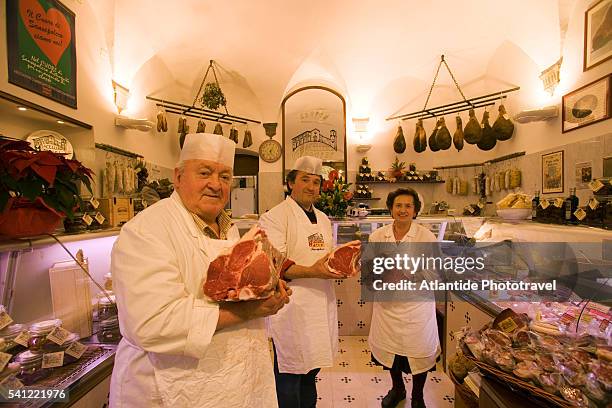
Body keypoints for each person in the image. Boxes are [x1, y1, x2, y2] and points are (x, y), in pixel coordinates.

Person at [109, 133, 290, 407]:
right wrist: (250, 311)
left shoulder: (227, 226)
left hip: (233, 382)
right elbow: (153, 323)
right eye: (205, 173)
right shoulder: (147, 230)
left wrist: (268, 291)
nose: (216, 185)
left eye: (225, 177)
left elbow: (233, 289)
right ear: (178, 176)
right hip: (169, 389)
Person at [259, 156, 344, 408]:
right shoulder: (274, 217)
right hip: (291, 306)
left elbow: (328, 256)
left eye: (316, 182)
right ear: (290, 183)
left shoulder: (324, 219)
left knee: (311, 372)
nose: (311, 187)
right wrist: (314, 271)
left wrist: (340, 266)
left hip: (321, 303)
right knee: (289, 375)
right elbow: (275, 263)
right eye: (305, 180)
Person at [368, 188, 440, 408]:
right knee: (391, 353)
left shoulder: (426, 236)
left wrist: (408, 274)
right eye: (398, 205)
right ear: (391, 208)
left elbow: (435, 272)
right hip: (387, 306)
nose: (403, 210)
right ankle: (397, 388)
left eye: (408, 206)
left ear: (415, 210)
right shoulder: (378, 236)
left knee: (419, 353)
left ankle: (418, 396)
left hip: (416, 307)